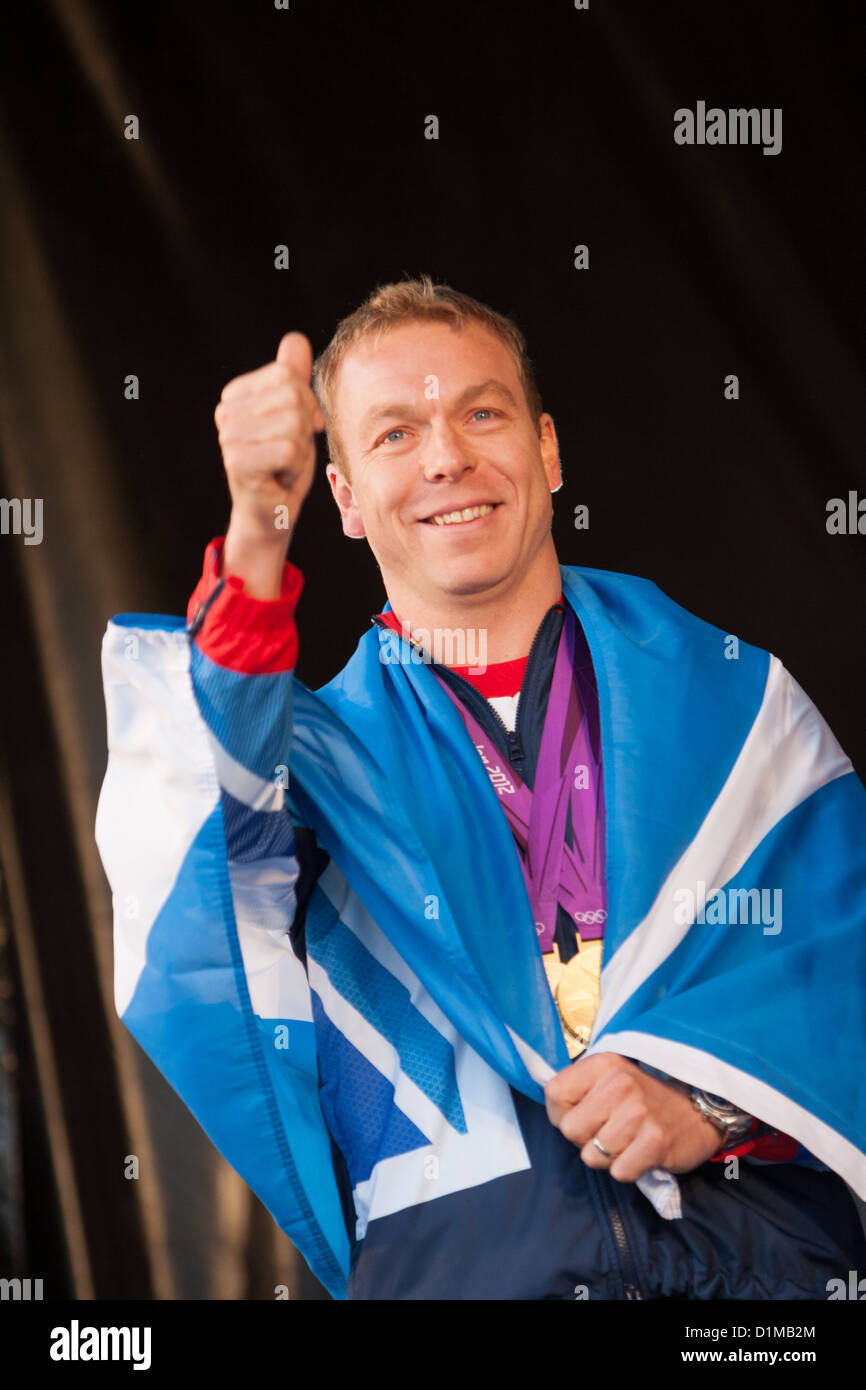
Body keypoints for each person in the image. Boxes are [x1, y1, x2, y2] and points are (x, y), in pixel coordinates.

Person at [95, 275, 866, 1300]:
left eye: (480, 412)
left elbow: (842, 964)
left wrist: (712, 1101)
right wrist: (256, 526)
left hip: (767, 1288)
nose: (447, 456)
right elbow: (198, 852)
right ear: (344, 500)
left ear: (545, 450)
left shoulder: (729, 700)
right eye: (393, 434)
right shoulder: (313, 775)